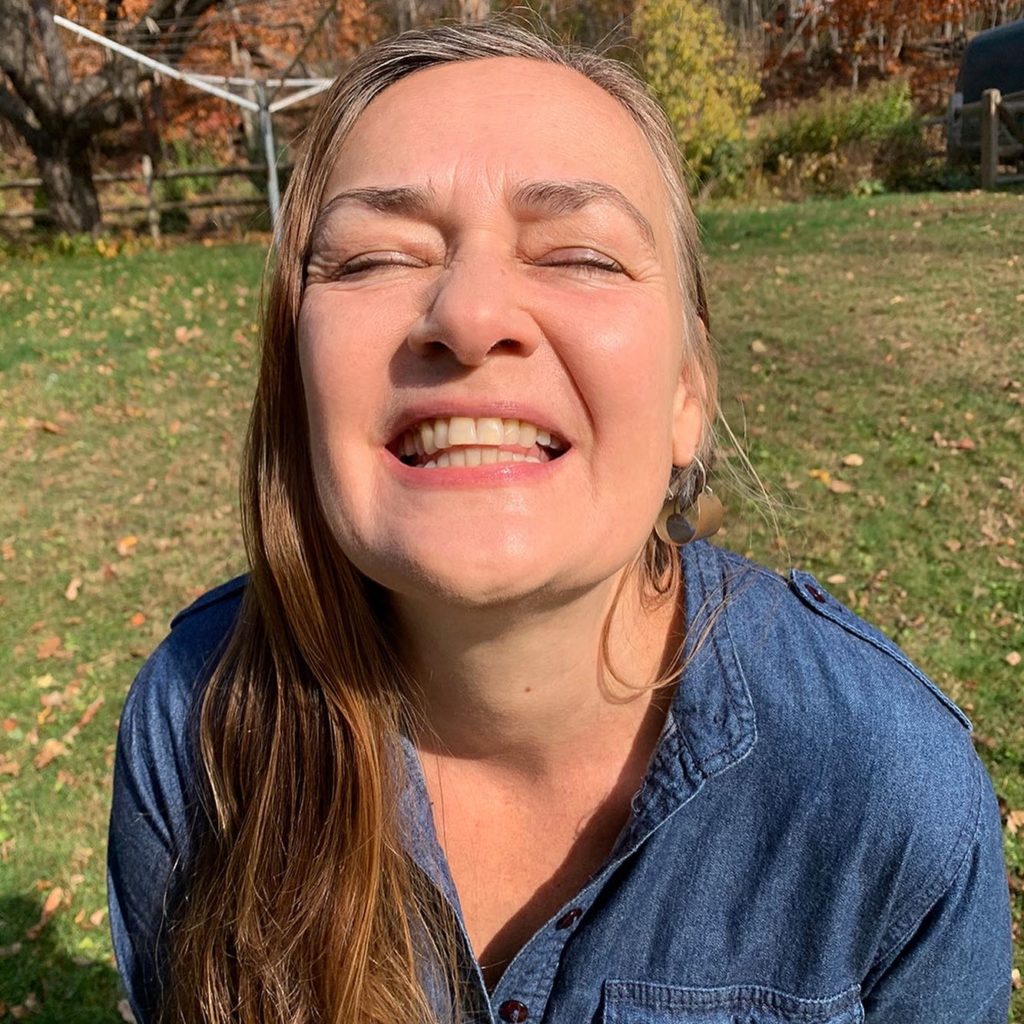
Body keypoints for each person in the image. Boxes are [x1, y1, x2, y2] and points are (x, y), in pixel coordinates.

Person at [107, 21, 1012, 1024]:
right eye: (371, 257)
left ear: (685, 392)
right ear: (295, 374)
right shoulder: (197, 726)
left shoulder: (884, 792)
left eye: (578, 254)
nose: (469, 311)